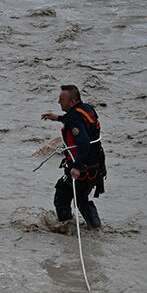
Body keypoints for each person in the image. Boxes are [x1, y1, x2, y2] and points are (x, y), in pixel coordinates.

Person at [41, 84, 105, 229]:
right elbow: (77, 121)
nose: (59, 102)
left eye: (62, 100)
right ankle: (95, 229)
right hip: (95, 165)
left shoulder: (74, 118)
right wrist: (57, 118)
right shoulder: (87, 109)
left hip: (83, 167)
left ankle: (67, 227)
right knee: (81, 198)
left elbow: (84, 144)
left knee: (62, 196)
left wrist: (76, 167)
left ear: (73, 102)